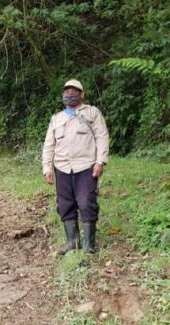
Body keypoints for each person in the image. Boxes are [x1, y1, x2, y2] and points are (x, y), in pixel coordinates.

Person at [42, 79, 109, 254]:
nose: (69, 94)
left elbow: (102, 137)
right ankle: (73, 242)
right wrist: (47, 168)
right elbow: (49, 144)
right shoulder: (57, 118)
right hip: (62, 167)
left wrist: (100, 162)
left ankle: (89, 244)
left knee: (87, 202)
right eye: (66, 91)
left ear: (82, 94)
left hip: (86, 166)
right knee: (65, 204)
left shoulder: (92, 113)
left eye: (74, 91)